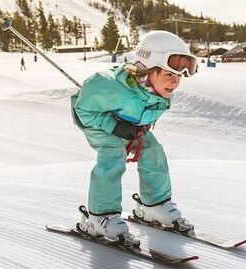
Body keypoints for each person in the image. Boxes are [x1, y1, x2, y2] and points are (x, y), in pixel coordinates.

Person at [71, 31, 198, 245]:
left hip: (130, 127)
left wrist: (136, 129)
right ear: (148, 70)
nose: (175, 82)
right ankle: (100, 217)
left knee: (153, 150)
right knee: (113, 154)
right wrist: (114, 126)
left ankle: (154, 205)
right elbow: (83, 110)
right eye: (169, 74)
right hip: (97, 122)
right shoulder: (108, 86)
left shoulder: (160, 91)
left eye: (179, 76)